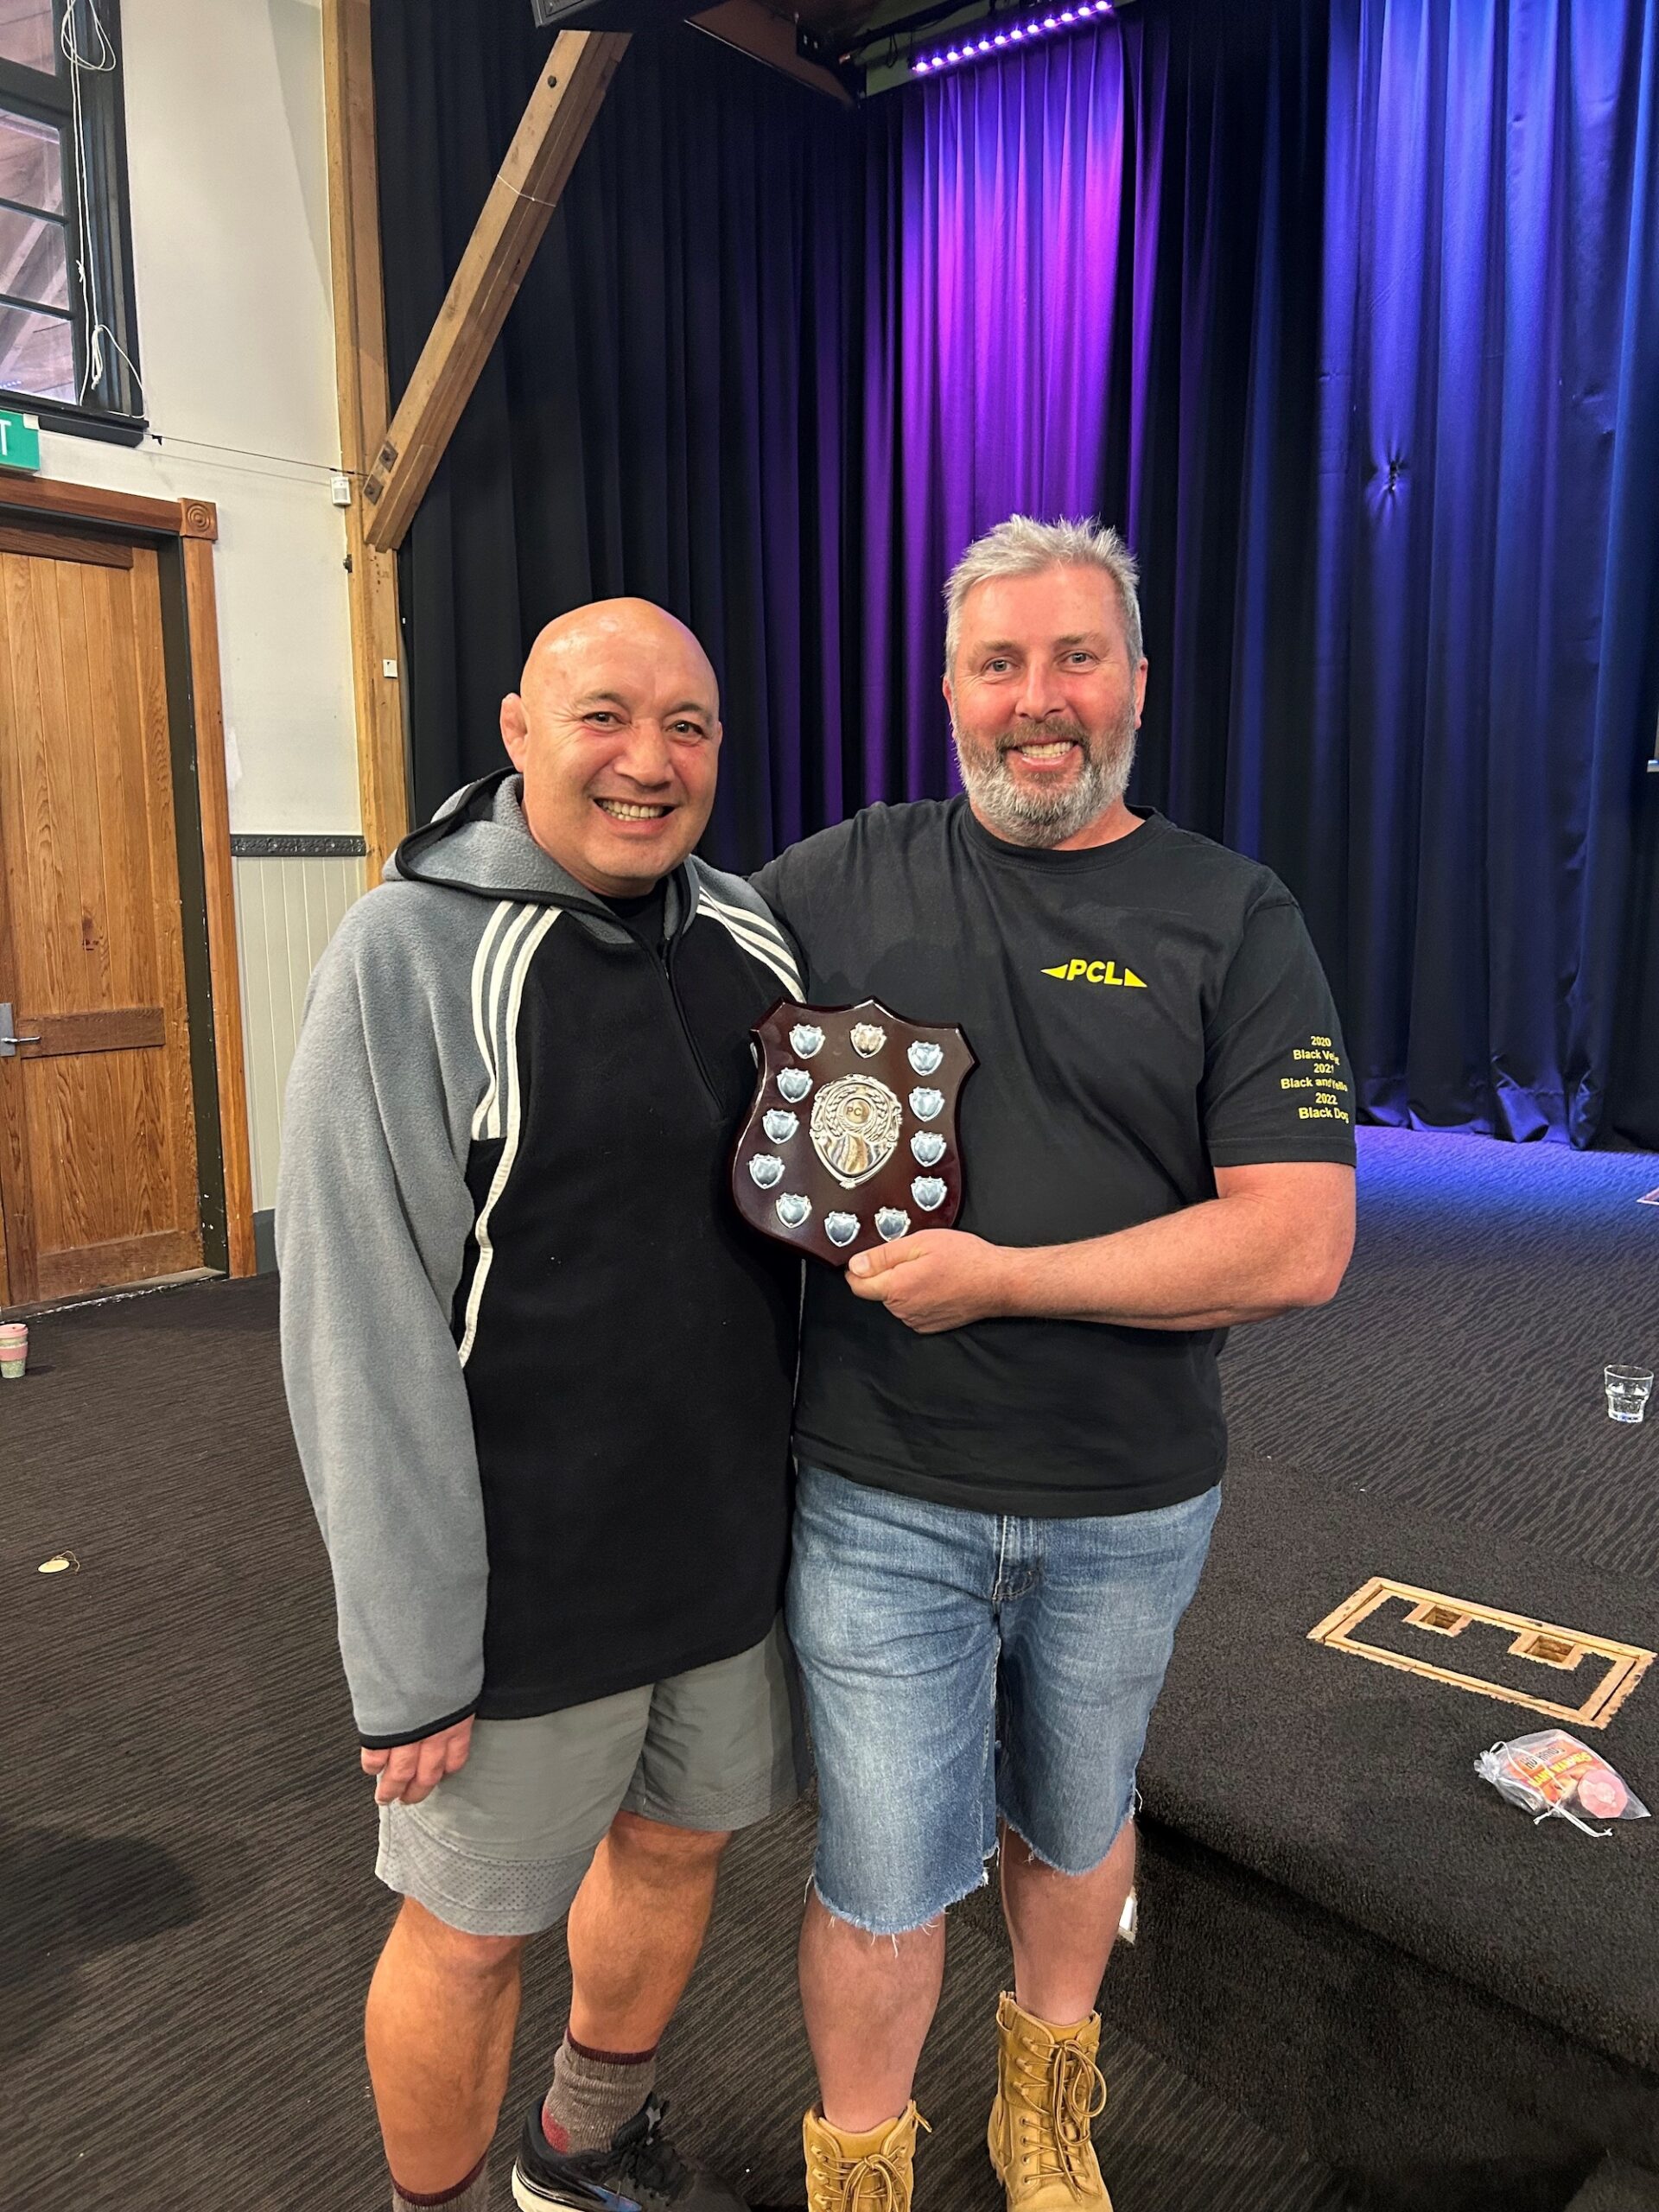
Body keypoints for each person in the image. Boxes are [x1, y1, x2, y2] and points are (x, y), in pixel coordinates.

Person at [753, 516, 1357, 2212]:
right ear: (947, 687)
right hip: (878, 1491)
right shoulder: (831, 881)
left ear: (1136, 684)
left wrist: (1005, 1276)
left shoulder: (1233, 914)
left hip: (1128, 1500)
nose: (1040, 700)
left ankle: (1046, 2104)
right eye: (999, 662)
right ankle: (860, 2172)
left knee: (1077, 1818)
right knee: (880, 1868)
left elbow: (1297, 1241)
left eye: (1075, 657)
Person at [278, 599, 807, 2212]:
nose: (650, 763)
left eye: (692, 726)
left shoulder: (755, 941)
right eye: (604, 718)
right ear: (517, 731)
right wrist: (410, 1653)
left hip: (717, 1562)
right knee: (469, 1933)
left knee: (676, 1847)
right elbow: (355, 1330)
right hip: (515, 1594)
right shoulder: (412, 951)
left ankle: (581, 2147)